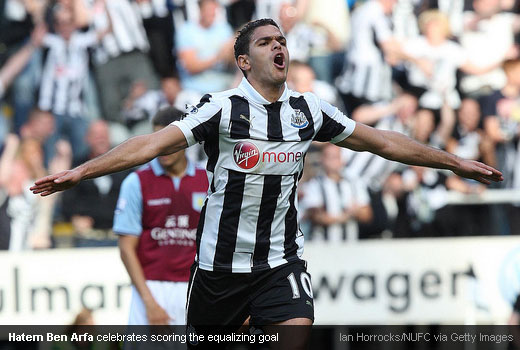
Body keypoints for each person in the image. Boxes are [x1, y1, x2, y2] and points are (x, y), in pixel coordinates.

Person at [31, 18, 503, 349]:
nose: (279, 47)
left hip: (281, 260)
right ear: (242, 61)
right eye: (265, 43)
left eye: (282, 40)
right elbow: (150, 144)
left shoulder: (308, 110)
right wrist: (81, 171)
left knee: (295, 333)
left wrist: (452, 161)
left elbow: (381, 141)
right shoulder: (221, 109)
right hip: (218, 268)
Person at [114, 107, 208, 326]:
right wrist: (149, 303)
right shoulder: (136, 182)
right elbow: (126, 248)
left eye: (168, 140)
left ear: (186, 140)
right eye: (157, 140)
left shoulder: (208, 180)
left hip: (197, 288)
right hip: (151, 288)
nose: (162, 148)